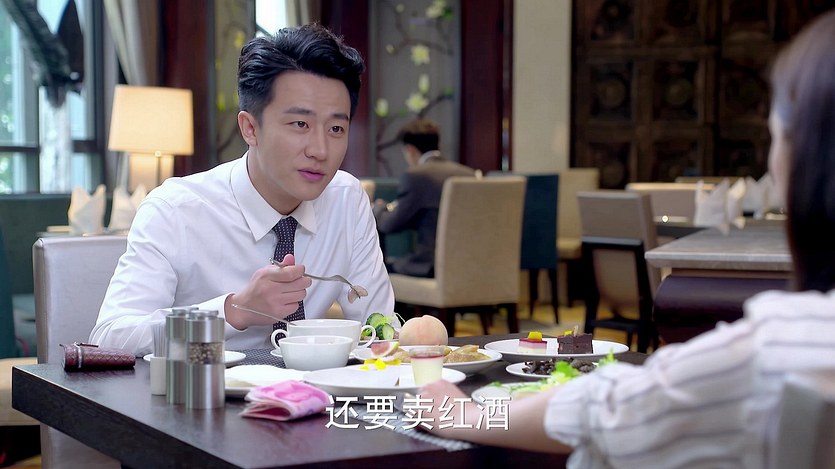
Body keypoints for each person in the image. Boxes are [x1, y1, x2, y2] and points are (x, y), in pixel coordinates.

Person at [417, 10, 835, 468]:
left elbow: (612, 411)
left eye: (775, 137)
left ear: (805, 161)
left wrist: (467, 414)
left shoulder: (775, 350)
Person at [91, 24, 395, 356]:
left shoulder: (346, 200)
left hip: (311, 388)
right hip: (201, 387)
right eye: (300, 124)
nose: (320, 150)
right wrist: (234, 310)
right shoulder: (175, 210)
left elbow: (380, 330)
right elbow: (111, 337)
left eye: (336, 128)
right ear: (250, 128)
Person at [373, 118, 476, 277]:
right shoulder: (469, 174)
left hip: (429, 266)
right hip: (467, 264)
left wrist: (378, 208)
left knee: (382, 272)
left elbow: (390, 224)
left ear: (410, 150)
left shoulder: (417, 176)